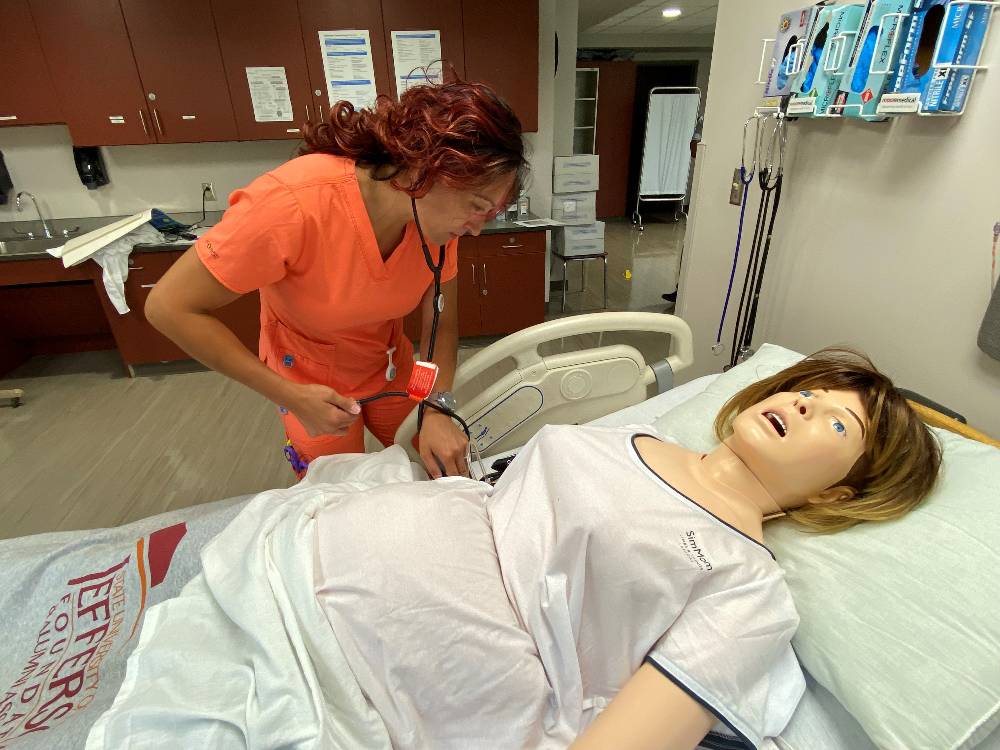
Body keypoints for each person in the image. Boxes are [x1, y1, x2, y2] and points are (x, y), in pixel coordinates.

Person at [87, 349, 942, 749]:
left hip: (386, 676)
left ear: (841, 491)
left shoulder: (747, 585)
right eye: (809, 388)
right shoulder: (633, 437)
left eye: (840, 419)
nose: (804, 402)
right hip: (296, 564)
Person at [145, 79, 527, 480]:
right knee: (335, 489)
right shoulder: (293, 203)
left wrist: (436, 406)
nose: (477, 229)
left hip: (393, 368)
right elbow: (169, 307)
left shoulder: (436, 224)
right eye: (478, 207)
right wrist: (289, 395)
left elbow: (440, 323)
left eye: (490, 214)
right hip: (308, 384)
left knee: (442, 465)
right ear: (427, 169)